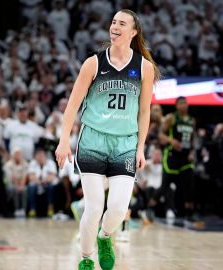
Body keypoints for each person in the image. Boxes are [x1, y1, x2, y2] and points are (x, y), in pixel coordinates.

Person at [55, 9, 158, 270]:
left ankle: (105, 238)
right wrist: (64, 140)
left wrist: (141, 147)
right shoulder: (93, 63)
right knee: (93, 208)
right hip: (93, 140)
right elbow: (72, 106)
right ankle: (86, 258)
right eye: (113, 22)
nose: (115, 26)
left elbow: (144, 111)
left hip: (125, 143)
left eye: (121, 23)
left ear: (133, 33)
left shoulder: (144, 67)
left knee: (119, 208)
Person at [158, 96, 195, 220]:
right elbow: (160, 135)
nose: (183, 105)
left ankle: (187, 212)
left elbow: (193, 139)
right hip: (172, 155)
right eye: (181, 103)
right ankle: (158, 208)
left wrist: (192, 152)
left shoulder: (192, 120)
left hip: (186, 156)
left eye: (185, 103)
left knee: (188, 185)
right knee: (166, 184)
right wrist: (171, 140)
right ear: (176, 105)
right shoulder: (171, 118)